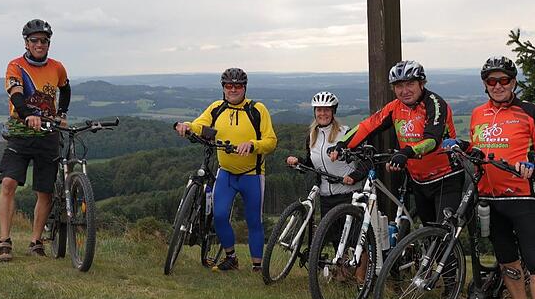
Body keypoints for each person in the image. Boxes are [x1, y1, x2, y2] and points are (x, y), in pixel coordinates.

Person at [443, 56, 535, 299]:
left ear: (514, 82)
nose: (498, 85)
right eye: (492, 81)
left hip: (521, 198)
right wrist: (460, 145)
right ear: (485, 85)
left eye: (504, 80)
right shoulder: (477, 114)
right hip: (489, 199)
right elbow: (479, 150)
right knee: (507, 260)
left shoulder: (529, 110)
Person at [330, 60, 464, 226]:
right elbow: (368, 125)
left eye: (410, 84)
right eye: (399, 86)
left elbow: (432, 140)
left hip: (447, 177)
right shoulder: (395, 107)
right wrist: (342, 144)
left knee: (444, 234)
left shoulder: (435, 104)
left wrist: (406, 152)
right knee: (429, 233)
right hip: (419, 180)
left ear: (421, 83)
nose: (404, 91)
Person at [174, 68, 277, 272]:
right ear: (223, 87)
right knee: (219, 216)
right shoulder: (217, 108)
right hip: (226, 173)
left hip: (252, 175)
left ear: (244, 88)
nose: (233, 89)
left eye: (238, 85)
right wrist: (186, 126)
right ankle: (231, 258)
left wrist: (253, 144)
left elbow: (271, 141)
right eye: (229, 85)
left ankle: (257, 266)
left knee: (253, 220)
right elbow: (199, 125)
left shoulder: (257, 110)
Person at [0, 19, 71, 262]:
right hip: (21, 133)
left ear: (49, 43)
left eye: (44, 41)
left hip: (48, 135)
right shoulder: (15, 66)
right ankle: (4, 241)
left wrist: (61, 115)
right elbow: (16, 94)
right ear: (26, 43)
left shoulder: (57, 67)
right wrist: (28, 115)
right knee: (8, 183)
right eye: (34, 40)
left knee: (45, 191)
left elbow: (66, 89)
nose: (39, 44)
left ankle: (36, 241)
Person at [285, 91, 366, 219]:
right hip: (326, 198)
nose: (322, 114)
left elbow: (365, 160)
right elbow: (312, 163)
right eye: (319, 110)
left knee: (350, 239)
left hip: (349, 195)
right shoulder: (312, 137)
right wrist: (297, 162)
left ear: (333, 112)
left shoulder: (346, 134)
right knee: (328, 238)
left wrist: (354, 177)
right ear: (315, 112)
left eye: (327, 110)